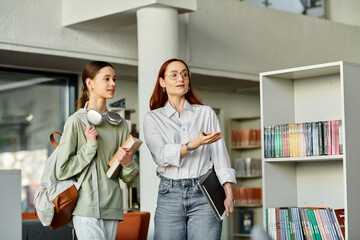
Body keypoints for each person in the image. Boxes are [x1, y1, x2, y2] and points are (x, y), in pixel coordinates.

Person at [143, 58, 236, 240]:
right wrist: (194, 144)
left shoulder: (206, 113)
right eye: (174, 75)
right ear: (162, 82)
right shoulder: (152, 118)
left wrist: (228, 192)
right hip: (169, 193)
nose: (181, 79)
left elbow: (219, 154)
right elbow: (161, 156)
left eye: (185, 74)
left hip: (205, 192)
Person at [55, 61, 139, 240]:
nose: (113, 84)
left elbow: (128, 177)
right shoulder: (76, 121)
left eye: (114, 79)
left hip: (113, 208)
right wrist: (90, 146)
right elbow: (62, 170)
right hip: (86, 207)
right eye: (106, 79)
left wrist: (128, 162)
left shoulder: (120, 124)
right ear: (90, 83)